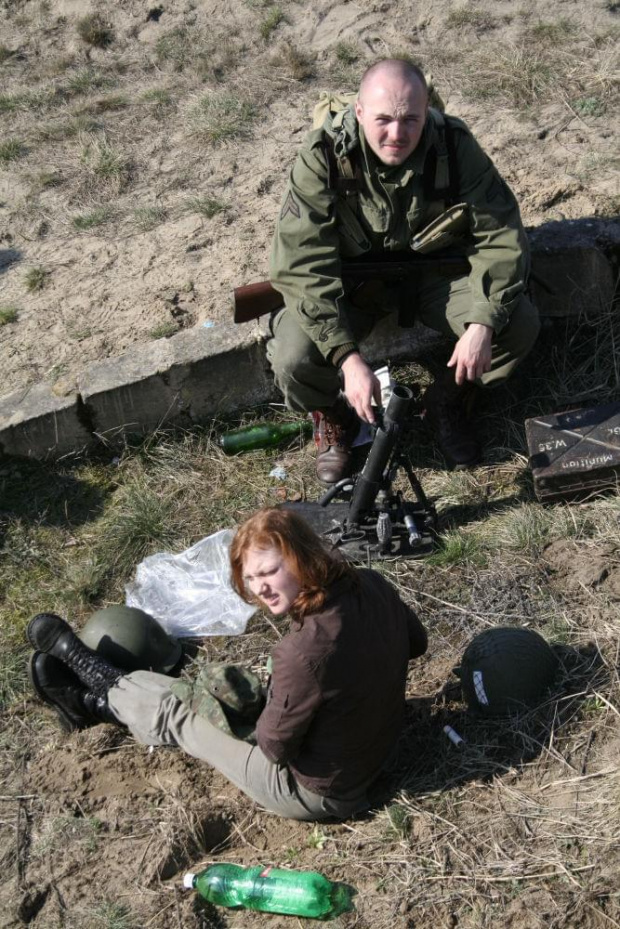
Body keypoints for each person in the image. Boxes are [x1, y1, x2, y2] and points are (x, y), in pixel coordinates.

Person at [26, 507, 428, 822]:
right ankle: (100, 699)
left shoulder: (302, 652)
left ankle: (99, 687)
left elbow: (273, 747)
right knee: (221, 694)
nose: (260, 588)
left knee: (180, 713)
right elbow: (417, 643)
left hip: (320, 792)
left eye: (269, 571)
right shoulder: (373, 583)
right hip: (382, 747)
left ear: (304, 559)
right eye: (250, 578)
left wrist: (277, 697)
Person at [267, 58, 539, 481]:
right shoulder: (322, 156)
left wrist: (482, 324)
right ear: (358, 112)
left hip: (434, 280)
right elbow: (303, 265)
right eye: (383, 120)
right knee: (293, 358)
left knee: (516, 322)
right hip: (351, 287)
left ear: (427, 109)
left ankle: (446, 399)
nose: (397, 134)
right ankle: (337, 417)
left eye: (411, 119)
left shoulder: (453, 143)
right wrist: (346, 357)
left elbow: (502, 234)